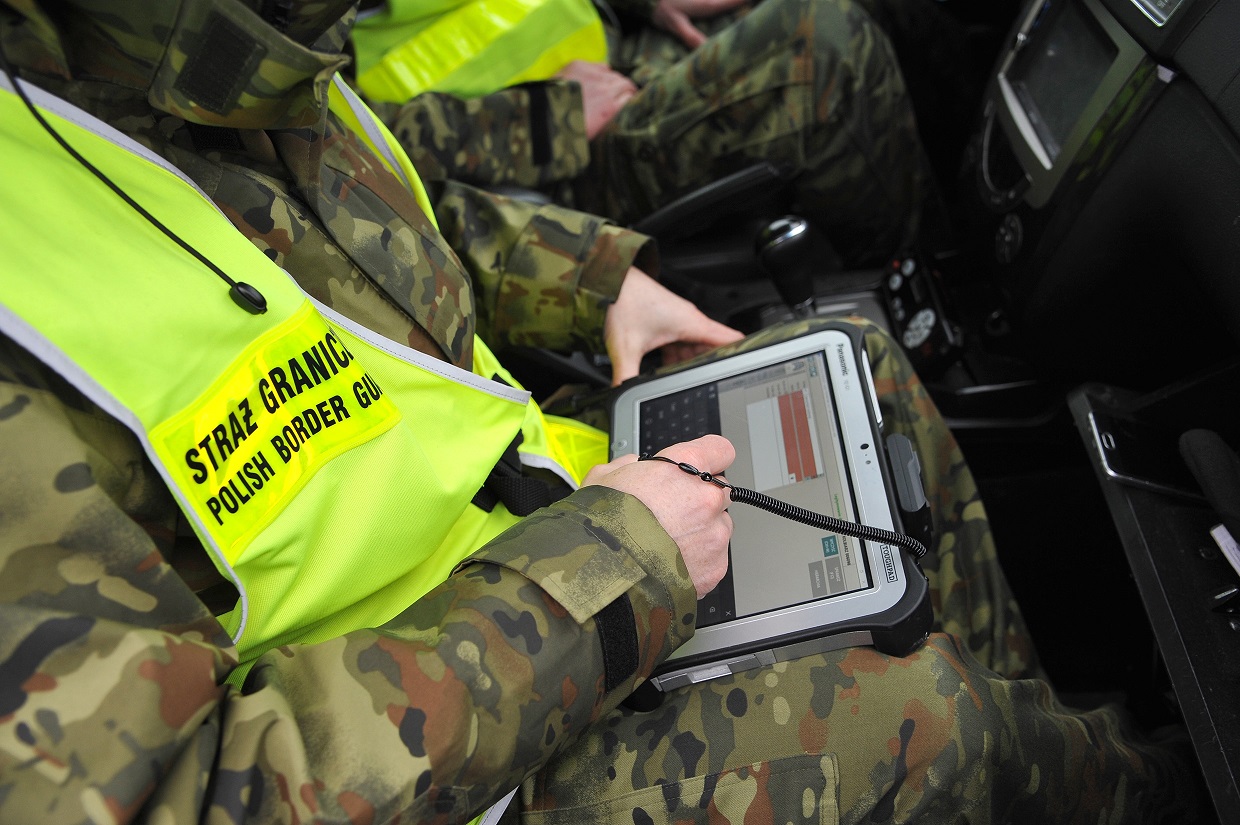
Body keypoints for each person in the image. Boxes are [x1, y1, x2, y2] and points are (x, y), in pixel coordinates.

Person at [0, 2, 1205, 824]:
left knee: (849, 373)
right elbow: (167, 793)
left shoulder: (232, 53)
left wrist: (590, 280)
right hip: (452, 730)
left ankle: (1045, 730)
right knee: (920, 727)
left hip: (541, 524)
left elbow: (375, 220)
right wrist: (610, 563)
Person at [353, 0, 937, 268]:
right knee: (826, 42)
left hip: (620, 46)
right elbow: (332, 144)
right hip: (531, 169)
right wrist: (546, 120)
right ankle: (915, 272)